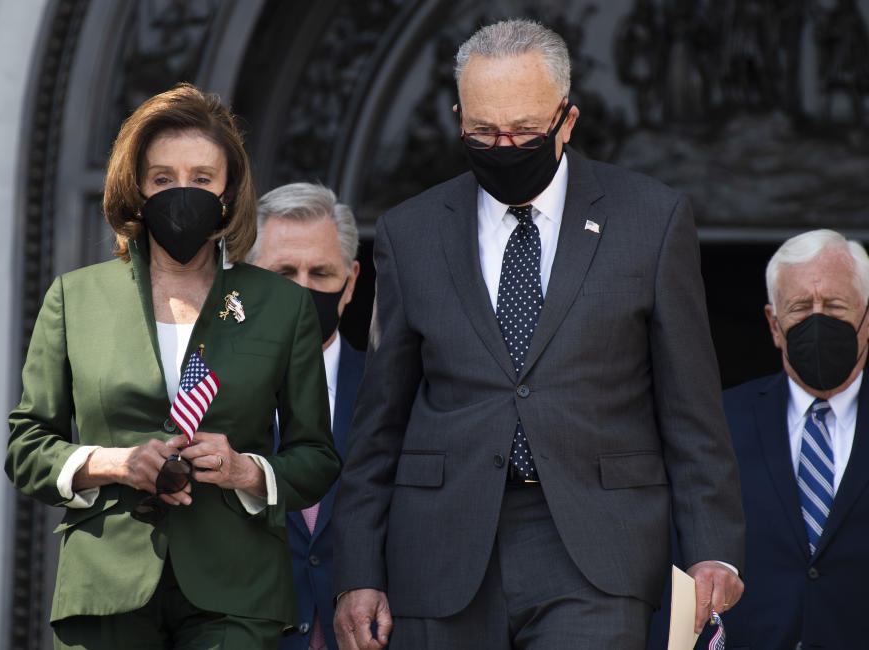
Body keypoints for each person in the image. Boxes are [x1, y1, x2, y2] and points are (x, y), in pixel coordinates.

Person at [331, 18, 745, 650]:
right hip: (441, 549)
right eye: (482, 131)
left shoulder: (652, 220)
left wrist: (713, 549)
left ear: (567, 120)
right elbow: (378, 423)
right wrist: (357, 573)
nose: (503, 146)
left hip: (597, 547)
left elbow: (691, 409)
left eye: (524, 131)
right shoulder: (409, 233)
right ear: (457, 119)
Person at [6, 83, 341, 649]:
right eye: (163, 179)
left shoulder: (279, 305)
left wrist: (244, 470)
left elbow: (317, 458)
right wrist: (115, 462)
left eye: (202, 179)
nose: (182, 193)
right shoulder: (76, 297)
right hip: (108, 586)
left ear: (229, 189)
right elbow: (26, 447)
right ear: (136, 187)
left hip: (237, 589)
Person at [711, 229, 869, 649]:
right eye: (801, 308)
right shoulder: (718, 422)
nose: (818, 321)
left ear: (867, 318)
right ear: (774, 324)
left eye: (835, 306)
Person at [248, 182, 365, 650]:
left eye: (320, 272)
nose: (302, 290)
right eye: (283, 271)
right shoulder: (206, 393)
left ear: (351, 282)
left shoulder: (397, 391)